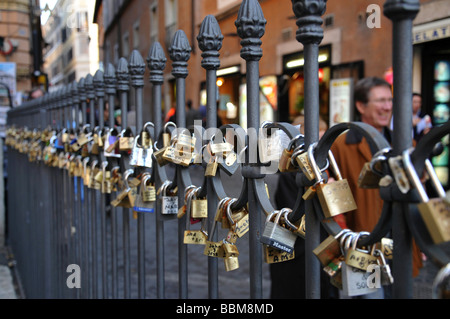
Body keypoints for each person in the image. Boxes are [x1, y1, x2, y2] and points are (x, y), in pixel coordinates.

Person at [330, 77, 423, 298]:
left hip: (400, 239)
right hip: (364, 244)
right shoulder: (342, 146)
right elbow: (334, 200)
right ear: (361, 106)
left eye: (390, 100)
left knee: (399, 292)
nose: (388, 106)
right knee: (371, 296)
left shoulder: (403, 143)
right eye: (380, 100)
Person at [270, 115, 334, 299]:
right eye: (319, 143)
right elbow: (295, 210)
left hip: (322, 248)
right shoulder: (293, 172)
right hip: (298, 252)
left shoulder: (326, 167)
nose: (324, 150)